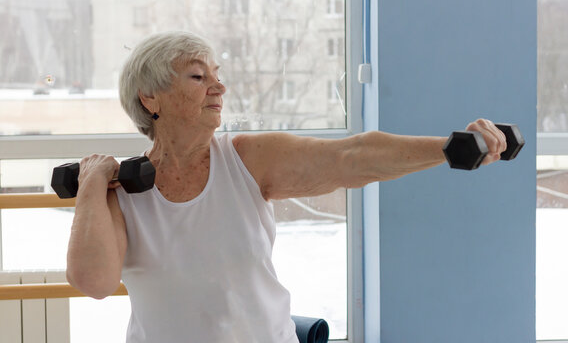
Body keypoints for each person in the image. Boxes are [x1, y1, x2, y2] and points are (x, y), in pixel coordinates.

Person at [66, 31, 507, 343]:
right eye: (198, 77)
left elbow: (350, 157)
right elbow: (95, 282)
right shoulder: (120, 191)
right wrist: (91, 185)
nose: (220, 87)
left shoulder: (246, 160)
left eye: (217, 74)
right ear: (150, 98)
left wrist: (451, 148)